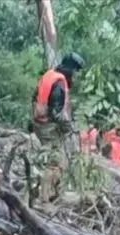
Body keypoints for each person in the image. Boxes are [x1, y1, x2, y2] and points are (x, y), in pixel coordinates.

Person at [31, 52, 85, 202]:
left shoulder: (49, 75)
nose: (75, 76)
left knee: (52, 159)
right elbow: (55, 113)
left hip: (39, 122)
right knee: (56, 162)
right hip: (47, 126)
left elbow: (34, 98)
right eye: (75, 72)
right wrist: (69, 127)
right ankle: (45, 198)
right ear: (70, 69)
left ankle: (51, 193)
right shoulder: (59, 83)